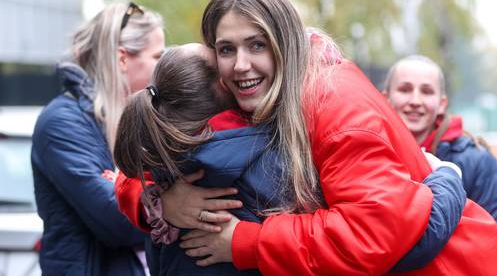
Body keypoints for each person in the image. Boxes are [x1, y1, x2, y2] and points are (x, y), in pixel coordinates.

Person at [173, 0, 497, 275]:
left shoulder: (335, 103)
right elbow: (150, 131)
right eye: (226, 49)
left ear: (285, 45)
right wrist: (160, 201)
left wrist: (247, 242)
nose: (241, 64)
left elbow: (371, 233)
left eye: (257, 45)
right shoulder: (248, 92)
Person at [114, 43, 469, 275]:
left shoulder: (160, 156)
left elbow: (127, 176)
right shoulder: (270, 162)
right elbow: (392, 246)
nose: (240, 63)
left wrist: (155, 203)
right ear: (226, 86)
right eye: (224, 52)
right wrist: (447, 179)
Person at [31, 2, 165, 275]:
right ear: (122, 58)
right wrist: (174, 203)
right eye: (157, 57)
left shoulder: (135, 116)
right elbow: (119, 219)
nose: (163, 68)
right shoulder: (63, 122)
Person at [382, 54, 497, 245]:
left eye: (427, 92)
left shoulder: (477, 160)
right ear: (385, 98)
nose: (415, 100)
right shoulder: (369, 153)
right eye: (405, 89)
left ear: (441, 104)